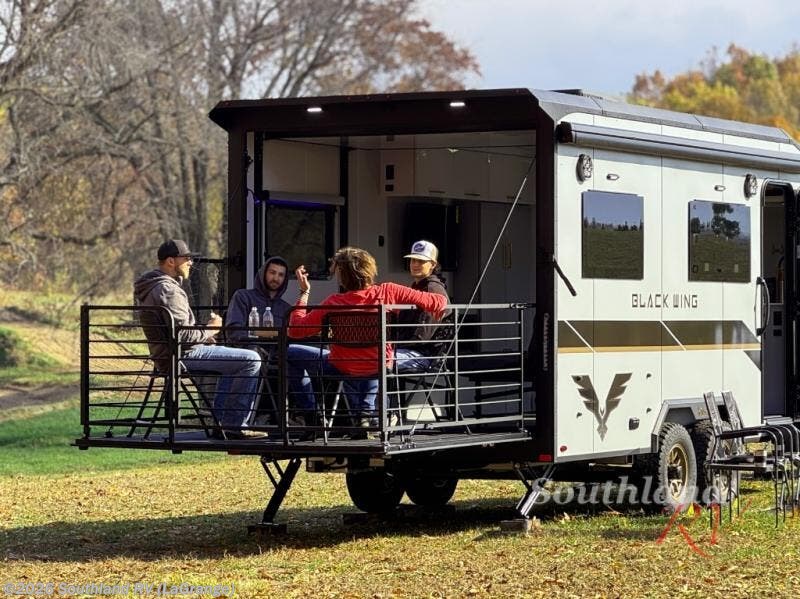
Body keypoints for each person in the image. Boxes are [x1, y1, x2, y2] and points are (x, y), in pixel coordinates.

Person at [286, 246, 447, 433]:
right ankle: (365, 415)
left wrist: (304, 293)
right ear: (370, 269)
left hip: (341, 365)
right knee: (372, 363)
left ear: (342, 275)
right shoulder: (388, 291)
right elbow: (439, 302)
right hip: (377, 365)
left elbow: (295, 330)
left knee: (291, 353)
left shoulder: (333, 302)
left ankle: (311, 414)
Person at [133, 239, 266, 439]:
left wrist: (204, 336)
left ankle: (222, 424)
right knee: (250, 359)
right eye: (186, 258)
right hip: (182, 355)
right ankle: (233, 425)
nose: (190, 263)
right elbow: (183, 336)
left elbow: (178, 332)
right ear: (171, 261)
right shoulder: (167, 290)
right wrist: (211, 329)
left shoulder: (156, 286)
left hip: (171, 354)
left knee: (237, 360)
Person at [393, 240, 451, 373]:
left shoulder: (433, 289)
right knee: (366, 360)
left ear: (433, 264)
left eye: (421, 261)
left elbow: (423, 335)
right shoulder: (417, 287)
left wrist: (393, 345)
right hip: (409, 350)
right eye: (413, 260)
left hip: (424, 355)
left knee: (374, 361)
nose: (415, 264)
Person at [225, 256, 291, 342]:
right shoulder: (243, 296)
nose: (276, 278)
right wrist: (266, 335)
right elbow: (234, 332)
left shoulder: (286, 308)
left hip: (278, 353)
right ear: (263, 273)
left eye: (281, 275)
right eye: (272, 272)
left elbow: (291, 335)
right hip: (248, 349)